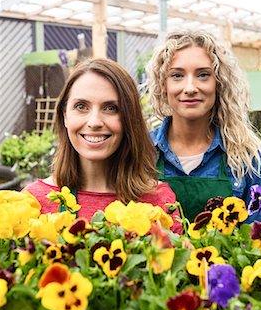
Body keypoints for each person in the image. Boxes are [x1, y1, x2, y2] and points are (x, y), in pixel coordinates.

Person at [24, 58, 182, 234]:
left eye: (111, 108)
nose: (94, 122)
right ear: (65, 116)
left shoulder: (159, 202)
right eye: (81, 106)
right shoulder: (31, 203)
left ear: (130, 119)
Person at [148, 29, 261, 223]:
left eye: (203, 75)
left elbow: (259, 234)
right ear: (163, 85)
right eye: (177, 75)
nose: (190, 88)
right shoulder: (142, 152)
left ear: (219, 83)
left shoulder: (244, 157)